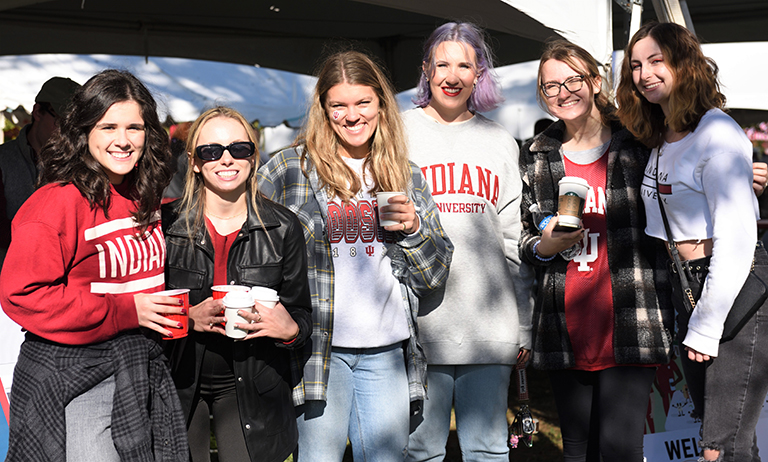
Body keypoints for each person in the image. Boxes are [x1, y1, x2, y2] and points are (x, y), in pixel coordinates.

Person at [257, 50, 453, 461]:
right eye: (339, 105)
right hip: (315, 351)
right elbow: (250, 247)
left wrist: (415, 229)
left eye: (363, 102)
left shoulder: (404, 173)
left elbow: (434, 276)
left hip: (386, 351)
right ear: (323, 110)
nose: (352, 115)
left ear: (381, 103)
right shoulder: (289, 169)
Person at [0, 69, 187, 461]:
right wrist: (125, 311)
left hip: (140, 369)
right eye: (108, 127)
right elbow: (23, 295)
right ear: (84, 131)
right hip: (78, 378)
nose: (123, 140)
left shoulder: (143, 194)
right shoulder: (55, 203)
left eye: (134, 127)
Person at [616, 21, 768, 462]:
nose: (644, 74)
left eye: (657, 61)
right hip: (688, 286)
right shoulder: (664, 136)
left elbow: (738, 240)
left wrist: (705, 323)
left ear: (685, 64)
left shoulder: (716, 133)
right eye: (636, 66)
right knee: (732, 439)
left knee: (720, 447)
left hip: (731, 286)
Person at [519, 39, 674, 462]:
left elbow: (678, 200)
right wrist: (544, 245)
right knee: (576, 451)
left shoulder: (639, 144)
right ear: (542, 95)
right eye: (551, 86)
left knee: (620, 450)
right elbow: (522, 241)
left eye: (573, 80)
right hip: (565, 327)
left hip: (631, 320)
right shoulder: (535, 157)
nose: (564, 92)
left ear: (595, 80)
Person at [402, 22, 531, 462]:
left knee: (487, 450)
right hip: (418, 327)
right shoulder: (397, 134)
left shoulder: (499, 141)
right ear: (426, 69)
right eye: (442, 64)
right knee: (420, 450)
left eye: (464, 65)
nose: (452, 75)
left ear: (479, 74)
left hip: (488, 326)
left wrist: (524, 324)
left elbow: (514, 241)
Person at [162, 106, 313, 462]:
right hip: (179, 379)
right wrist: (186, 317)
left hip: (252, 384)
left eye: (239, 149)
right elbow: (142, 308)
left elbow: (302, 315)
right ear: (194, 161)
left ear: (253, 155)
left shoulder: (282, 227)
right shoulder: (165, 224)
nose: (226, 159)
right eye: (211, 151)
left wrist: (290, 329)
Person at [0, 76, 81, 263]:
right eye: (62, 122)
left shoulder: (82, 164)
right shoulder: (3, 160)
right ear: (38, 112)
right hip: (9, 277)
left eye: (75, 127)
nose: (68, 132)